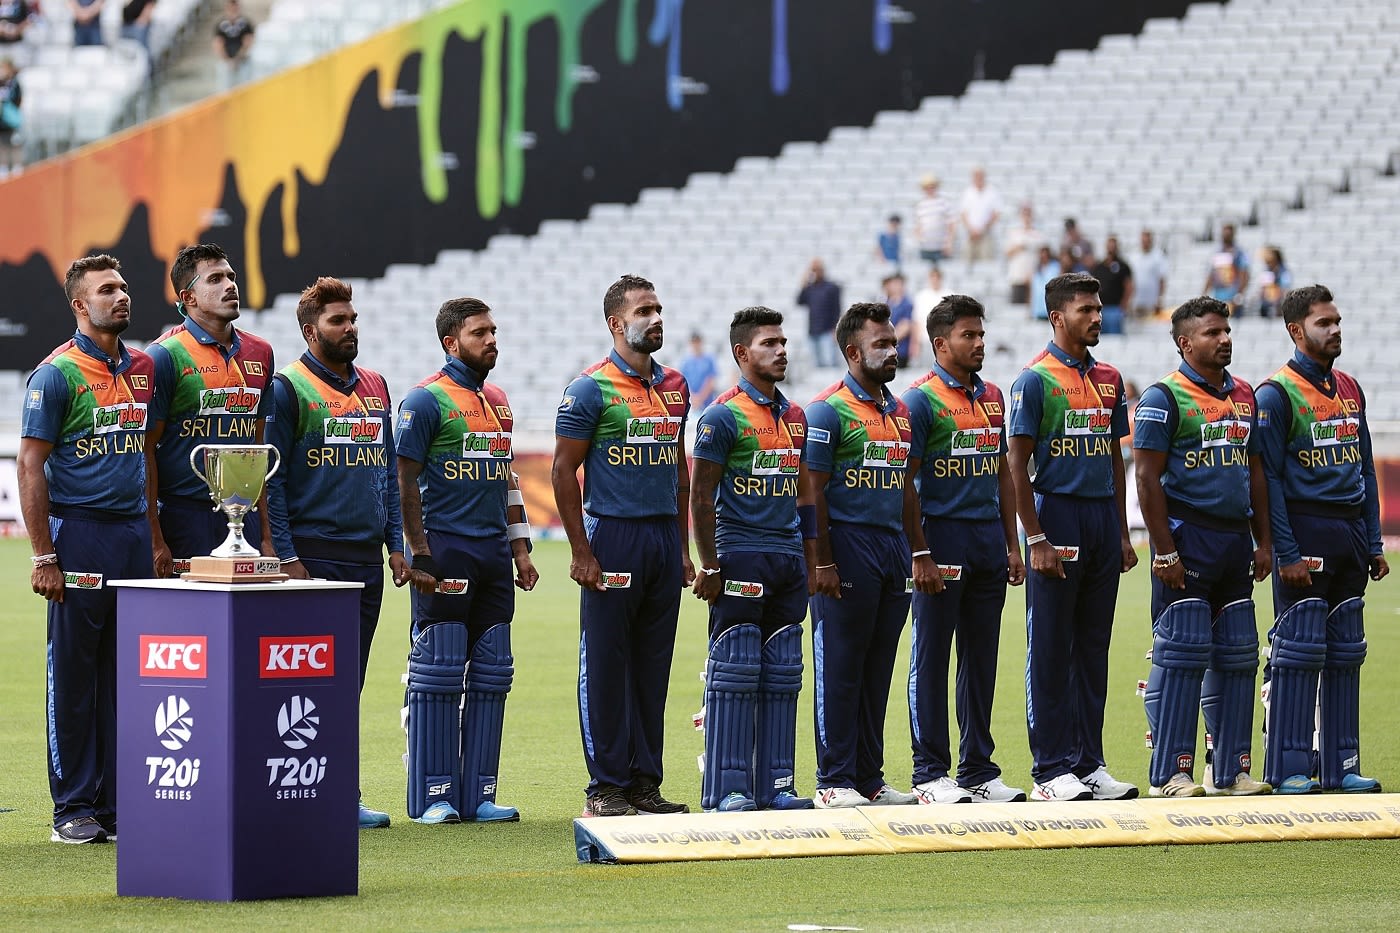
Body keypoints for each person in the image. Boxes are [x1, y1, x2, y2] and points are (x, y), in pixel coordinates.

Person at [18, 255, 157, 844]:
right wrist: (44, 555)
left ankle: (119, 805)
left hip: (130, 537)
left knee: (129, 677)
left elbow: (146, 453)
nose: (121, 296)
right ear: (80, 305)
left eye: (123, 287)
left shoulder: (145, 367)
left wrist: (155, 537)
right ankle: (71, 807)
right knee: (75, 677)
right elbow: (30, 463)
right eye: (106, 290)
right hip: (80, 535)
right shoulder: (56, 374)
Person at [264, 277, 407, 829]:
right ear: (310, 330)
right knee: (305, 682)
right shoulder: (289, 388)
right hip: (314, 556)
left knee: (349, 681)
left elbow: (387, 472)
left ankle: (341, 794)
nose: (350, 329)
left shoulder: (375, 385)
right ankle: (296, 791)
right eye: (337, 321)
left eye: (352, 319)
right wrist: (286, 554)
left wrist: (395, 544)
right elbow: (270, 480)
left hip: (365, 559)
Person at [552, 274, 693, 819]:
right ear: (616, 323)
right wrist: (581, 551)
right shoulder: (589, 388)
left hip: (661, 536)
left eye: (659, 308)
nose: (656, 318)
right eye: (644, 310)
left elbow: (679, 470)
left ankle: (644, 785)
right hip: (613, 534)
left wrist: (682, 549)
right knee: (608, 665)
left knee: (653, 667)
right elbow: (564, 472)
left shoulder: (675, 385)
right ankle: (605, 788)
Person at [397, 297, 538, 824]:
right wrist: (419, 550)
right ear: (451, 342)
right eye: (481, 332)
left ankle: (478, 793)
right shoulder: (425, 400)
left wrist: (520, 549)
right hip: (446, 547)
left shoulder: (498, 400)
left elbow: (509, 480)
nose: (492, 339)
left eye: (494, 330)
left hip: (493, 555)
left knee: (493, 673)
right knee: (437, 673)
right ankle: (432, 794)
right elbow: (403, 480)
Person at [1007, 271, 1139, 802]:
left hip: (1102, 522)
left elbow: (1113, 454)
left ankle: (1089, 763)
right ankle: (1050, 770)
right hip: (1056, 515)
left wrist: (1122, 531)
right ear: (1057, 317)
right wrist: (1033, 537)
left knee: (1093, 647)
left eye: (1099, 307)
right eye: (1086, 309)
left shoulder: (1109, 378)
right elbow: (1016, 464)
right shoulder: (1033, 380)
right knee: (1051, 647)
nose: (1097, 317)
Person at [1134, 297, 1273, 798]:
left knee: (1237, 654)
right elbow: (1146, 479)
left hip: (1235, 538)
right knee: (1183, 653)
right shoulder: (1162, 397)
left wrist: (1264, 540)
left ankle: (1230, 771)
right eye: (1213, 332)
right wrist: (1164, 551)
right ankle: (1171, 773)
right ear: (1185, 342)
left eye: (1227, 330)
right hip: (1187, 535)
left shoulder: (1244, 395)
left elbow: (1255, 472)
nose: (1225, 339)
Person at [1255, 284, 1388, 794]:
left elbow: (1365, 469)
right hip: (1305, 527)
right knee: (1297, 649)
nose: (1335, 330)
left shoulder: (1351, 388)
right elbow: (1270, 480)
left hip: (1350, 531)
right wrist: (1285, 550)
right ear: (1296, 330)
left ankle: (1341, 765)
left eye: (1336, 321)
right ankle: (1288, 766)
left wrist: (1373, 540)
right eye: (1323, 323)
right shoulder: (1276, 393)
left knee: (1346, 649)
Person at [903, 295, 1027, 804]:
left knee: (981, 658)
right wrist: (919, 551)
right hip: (940, 536)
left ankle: (978, 768)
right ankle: (929, 771)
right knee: (931, 658)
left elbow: (1001, 471)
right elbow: (904, 482)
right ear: (940, 343)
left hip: (986, 543)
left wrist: (1012, 543)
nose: (979, 344)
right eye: (968, 336)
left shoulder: (993, 395)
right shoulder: (918, 400)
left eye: (981, 334)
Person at [691, 306, 814, 812]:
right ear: (742, 353)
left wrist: (811, 558)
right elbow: (700, 496)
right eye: (769, 343)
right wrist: (711, 564)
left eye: (783, 342)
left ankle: (777, 785)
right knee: (737, 669)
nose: (781, 350)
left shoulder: (796, 416)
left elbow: (805, 496)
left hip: (787, 560)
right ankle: (728, 788)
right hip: (740, 554)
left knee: (783, 672)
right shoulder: (722, 415)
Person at [805, 303, 920, 809]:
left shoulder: (899, 410)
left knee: (878, 667)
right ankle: (834, 780)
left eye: (893, 342)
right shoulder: (827, 410)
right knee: (841, 664)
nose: (893, 352)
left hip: (892, 545)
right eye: (881, 344)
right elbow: (811, 492)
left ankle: (869, 778)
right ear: (853, 352)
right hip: (846, 545)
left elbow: (906, 486)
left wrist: (918, 549)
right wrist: (822, 560)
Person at [147, 243, 274, 579]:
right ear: (189, 298)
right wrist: (155, 536)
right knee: (188, 627)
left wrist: (266, 534)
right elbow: (145, 451)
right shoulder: (164, 356)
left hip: (242, 516)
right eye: (215, 279)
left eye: (231, 276)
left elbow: (258, 448)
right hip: (182, 515)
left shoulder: (262, 352)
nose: (230, 285)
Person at [796, 259, 841, 369]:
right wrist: (803, 283)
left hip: (827, 330)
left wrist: (835, 328)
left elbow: (837, 308)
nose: (815, 272)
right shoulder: (810, 288)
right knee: (816, 365)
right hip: (813, 330)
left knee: (830, 364)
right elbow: (799, 301)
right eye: (813, 270)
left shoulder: (831, 287)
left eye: (817, 269)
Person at [1003, 204, 1046, 309]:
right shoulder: (1014, 233)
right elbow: (1007, 253)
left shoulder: (1038, 235)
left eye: (1029, 214)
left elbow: (1043, 255)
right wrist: (1020, 246)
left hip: (1033, 276)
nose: (1027, 217)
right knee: (1017, 307)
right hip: (1017, 276)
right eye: (1024, 214)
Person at [958, 166, 1001, 266]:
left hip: (986, 234)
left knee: (986, 261)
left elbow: (996, 214)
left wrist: (982, 229)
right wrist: (972, 229)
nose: (978, 178)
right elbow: (963, 214)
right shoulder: (968, 192)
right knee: (966, 259)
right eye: (976, 176)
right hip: (970, 234)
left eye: (980, 176)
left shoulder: (992, 192)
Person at [1091, 236, 1134, 335]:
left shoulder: (1123, 266)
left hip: (1115, 308)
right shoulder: (1099, 266)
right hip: (1101, 308)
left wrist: (1124, 305)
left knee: (1115, 337)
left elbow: (1129, 286)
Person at [1203, 223, 1249, 313]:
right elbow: (1212, 275)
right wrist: (1205, 292)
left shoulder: (1239, 253)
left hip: (1233, 295)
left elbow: (1244, 274)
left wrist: (1239, 294)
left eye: (1228, 234)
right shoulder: (1217, 253)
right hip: (1218, 296)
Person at [913, 174, 955, 268]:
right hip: (926, 247)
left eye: (932, 186)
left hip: (941, 247)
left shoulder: (944, 202)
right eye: (927, 187)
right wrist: (919, 238)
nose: (930, 189)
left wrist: (949, 243)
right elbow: (918, 225)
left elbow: (951, 224)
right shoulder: (920, 205)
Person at [212, 0, 253, 91]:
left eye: (235, 7)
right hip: (226, 61)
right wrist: (227, 59)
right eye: (230, 7)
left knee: (244, 89)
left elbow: (248, 42)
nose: (233, 9)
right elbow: (218, 43)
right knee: (225, 89)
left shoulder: (245, 24)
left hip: (242, 61)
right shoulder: (221, 25)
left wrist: (237, 58)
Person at [1129, 229, 1168, 319]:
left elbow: (1162, 280)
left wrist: (1160, 299)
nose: (1145, 242)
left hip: (1152, 302)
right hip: (1136, 301)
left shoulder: (1158, 256)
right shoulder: (1133, 256)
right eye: (1143, 240)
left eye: (1147, 240)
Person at [679, 331, 720, 412]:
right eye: (694, 342)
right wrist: (692, 398)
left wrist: (700, 398)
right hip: (691, 402)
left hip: (707, 402)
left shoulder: (709, 360)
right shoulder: (686, 361)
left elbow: (711, 381)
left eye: (697, 342)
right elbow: (684, 381)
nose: (696, 345)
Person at [883, 272, 915, 368]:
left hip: (900, 349)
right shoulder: (886, 303)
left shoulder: (907, 304)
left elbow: (905, 326)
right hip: (886, 349)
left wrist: (887, 342)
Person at [1256, 246, 1291, 319]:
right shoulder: (1266, 271)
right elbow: (1263, 288)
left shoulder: (1283, 272)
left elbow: (1285, 287)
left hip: (1278, 302)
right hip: (1266, 302)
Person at [0, 56, 20, 177]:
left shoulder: (15, 83)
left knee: (14, 143)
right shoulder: (1, 83)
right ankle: (3, 166)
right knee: (2, 143)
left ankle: (16, 167)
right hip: (1, 119)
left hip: (11, 118)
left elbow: (18, 99)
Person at [121, 0, 156, 64]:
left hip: (138, 26)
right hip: (126, 24)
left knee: (142, 54)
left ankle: (148, 72)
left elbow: (151, 4)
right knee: (125, 53)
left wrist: (142, 21)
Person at [1029, 246, 1059, 321]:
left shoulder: (1056, 267)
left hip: (1050, 307)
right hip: (1038, 308)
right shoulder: (1036, 269)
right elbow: (1032, 290)